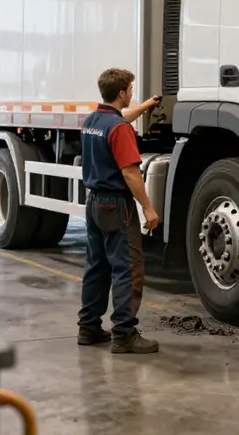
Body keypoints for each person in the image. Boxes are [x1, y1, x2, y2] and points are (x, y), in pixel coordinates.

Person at [76, 68, 162, 354]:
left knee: (97, 267)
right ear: (122, 92)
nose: (132, 93)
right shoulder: (120, 129)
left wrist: (148, 105)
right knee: (127, 268)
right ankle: (124, 334)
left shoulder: (93, 120)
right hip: (116, 205)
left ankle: (88, 328)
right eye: (131, 89)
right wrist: (148, 208)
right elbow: (130, 173)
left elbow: (121, 119)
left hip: (94, 203)